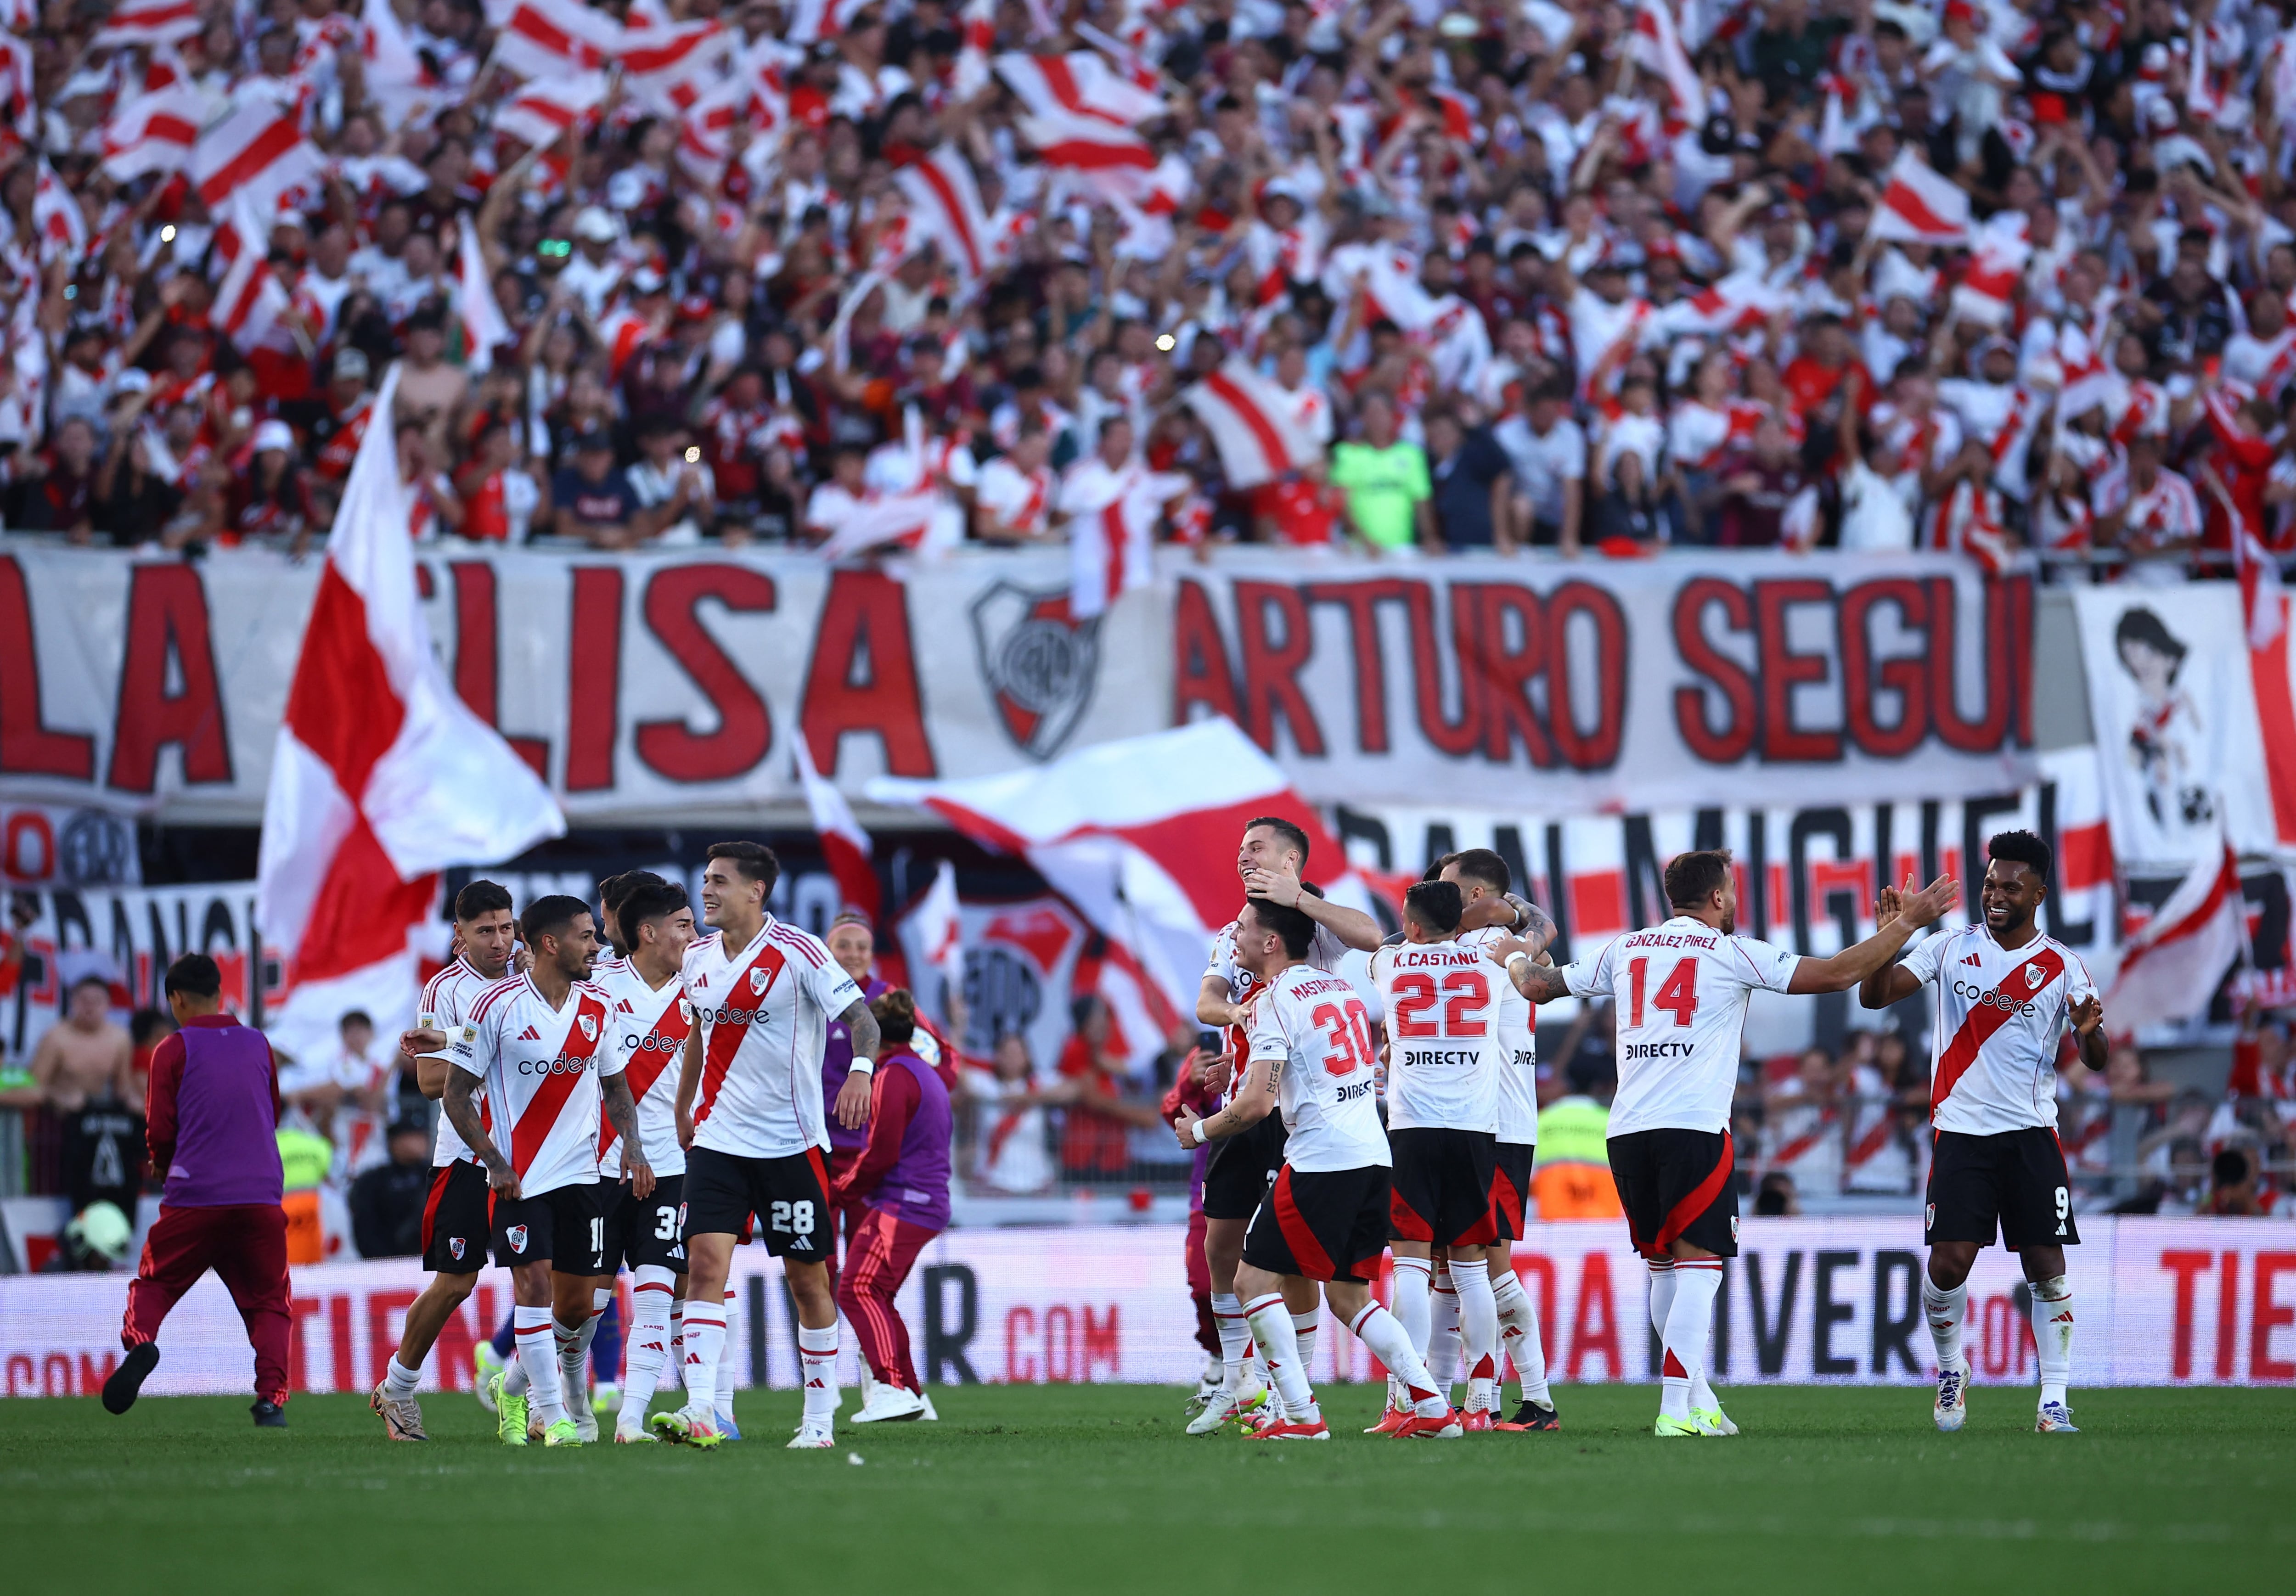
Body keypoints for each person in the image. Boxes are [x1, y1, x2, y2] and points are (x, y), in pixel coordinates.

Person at [1498, 848, 1958, 1437]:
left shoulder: (1625, 948)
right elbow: (1838, 973)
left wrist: (1513, 956)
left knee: (1664, 1268)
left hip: (1627, 1131)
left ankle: (1699, 1401)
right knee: (1700, 1268)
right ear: (1717, 897)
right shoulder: (1729, 951)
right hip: (1691, 1126)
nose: (1734, 900)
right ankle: (1673, 1411)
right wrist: (1905, 925)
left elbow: (1536, 984)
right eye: (1732, 890)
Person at [1171, 896, 1452, 1441]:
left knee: (1250, 1278)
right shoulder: (1341, 989)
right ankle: (1433, 1404)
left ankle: (1301, 1415)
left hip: (1323, 1160)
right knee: (1348, 1297)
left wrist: (1199, 1132)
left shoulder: (1273, 999)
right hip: (1373, 1154)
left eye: (1246, 929)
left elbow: (1255, 1105)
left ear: (1272, 942)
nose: (1237, 939)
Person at [1858, 831, 2108, 1435]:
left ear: (2039, 894)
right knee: (1948, 1265)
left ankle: (2054, 1400)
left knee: (2046, 1267)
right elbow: (1875, 996)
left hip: (2030, 1135)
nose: (1995, 895)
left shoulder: (2062, 966)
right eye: (1991, 883)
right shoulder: (1948, 948)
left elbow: (2098, 1056)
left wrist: (2088, 1032)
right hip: (1961, 1134)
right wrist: (1889, 941)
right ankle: (1951, 1371)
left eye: (2010, 887)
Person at [660, 841, 875, 1451]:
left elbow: (864, 1020)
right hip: (718, 1143)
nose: (706, 890)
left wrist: (860, 1069)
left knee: (807, 1282)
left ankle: (817, 1421)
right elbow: (700, 1034)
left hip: (791, 1146)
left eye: (719, 881)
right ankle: (702, 1409)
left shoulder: (799, 952)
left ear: (756, 891)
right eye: (705, 879)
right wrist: (684, 1107)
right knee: (702, 1267)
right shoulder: (696, 958)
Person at [1187, 817, 1381, 1435]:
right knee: (1220, 1246)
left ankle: (1284, 1390)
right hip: (1246, 1100)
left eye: (1257, 848)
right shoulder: (1235, 932)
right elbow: (1207, 1002)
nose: (1243, 856)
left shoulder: (1312, 923)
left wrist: (1301, 899)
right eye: (1241, 848)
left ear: (1291, 859)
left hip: (1294, 1109)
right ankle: (1235, 1382)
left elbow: (1375, 936)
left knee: (1290, 1265)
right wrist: (1244, 1014)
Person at [432, 895, 648, 1449]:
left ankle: (512, 1384)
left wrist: (634, 1146)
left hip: (583, 1176)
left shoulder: (600, 1005)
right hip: (519, 1179)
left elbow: (615, 1085)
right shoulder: (496, 1006)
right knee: (531, 1286)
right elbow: (456, 1096)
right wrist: (495, 1161)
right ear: (551, 943)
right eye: (586, 936)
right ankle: (552, 1417)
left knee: (577, 1308)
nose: (596, 946)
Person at [102, 955, 292, 1428]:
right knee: (269, 1300)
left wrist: (163, 1166)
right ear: (220, 992)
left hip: (197, 1194)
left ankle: (142, 1343)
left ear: (177, 999)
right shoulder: (258, 1043)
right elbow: (273, 1110)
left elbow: (159, 1127)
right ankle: (271, 1400)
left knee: (156, 1282)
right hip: (261, 1194)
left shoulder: (172, 1048)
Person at [372, 879, 519, 1442]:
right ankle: (399, 1387)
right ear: (459, 934)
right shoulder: (444, 990)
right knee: (456, 1281)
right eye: (485, 930)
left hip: (535, 1151)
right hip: (465, 1154)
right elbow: (432, 1080)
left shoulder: (534, 980)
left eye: (506, 927)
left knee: (555, 1278)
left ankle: (525, 1393)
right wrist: (498, 1038)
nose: (499, 940)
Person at [1368, 882, 1508, 1431]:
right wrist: (1497, 911)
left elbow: (1389, 939)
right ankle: (1477, 1403)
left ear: (1414, 925)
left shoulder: (1388, 962)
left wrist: (1421, 926)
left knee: (1409, 1264)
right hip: (1474, 1129)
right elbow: (1539, 935)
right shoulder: (1490, 959)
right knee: (1473, 1269)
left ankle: (1409, 1398)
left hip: (1412, 1128)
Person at [1439, 849, 1559, 1431]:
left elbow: (1539, 933)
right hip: (1471, 1121)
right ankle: (1456, 1394)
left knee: (1489, 1265)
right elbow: (1543, 931)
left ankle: (1525, 1397)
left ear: (1477, 896)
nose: (1439, 900)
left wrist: (1511, 912)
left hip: (1497, 1126)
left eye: (1448, 890)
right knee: (1455, 1264)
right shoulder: (1511, 946)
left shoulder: (1495, 950)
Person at [596, 876, 701, 1444]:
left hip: (672, 1164)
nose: (695, 934)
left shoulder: (703, 987)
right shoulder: (598, 985)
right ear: (649, 932)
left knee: (658, 1290)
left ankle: (629, 1418)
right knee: (580, 1309)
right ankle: (525, 1388)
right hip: (595, 1163)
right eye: (684, 925)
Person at [832, 989, 952, 1424]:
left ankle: (890, 1387)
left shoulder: (892, 1077)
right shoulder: (923, 1072)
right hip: (924, 1200)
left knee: (857, 1290)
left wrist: (840, 1188)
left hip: (905, 1202)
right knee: (877, 1293)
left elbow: (880, 1154)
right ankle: (914, 1395)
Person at [822, 910, 891, 1262]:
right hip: (817, 1152)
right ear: (826, 951)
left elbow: (937, 1063)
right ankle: (819, 1321)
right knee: (819, 1262)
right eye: (843, 946)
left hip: (871, 1155)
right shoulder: (810, 1000)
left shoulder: (890, 1002)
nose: (853, 954)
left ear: (872, 954)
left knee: (867, 1262)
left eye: (862, 947)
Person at [349, 1122, 436, 1259]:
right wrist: (382, 1261)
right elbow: (365, 1228)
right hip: (387, 1263)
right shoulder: (372, 1181)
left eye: (422, 1137)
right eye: (413, 1137)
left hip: (433, 1261)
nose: (420, 1143)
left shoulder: (438, 1175)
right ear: (394, 1142)